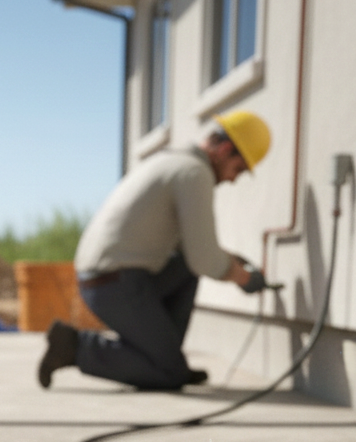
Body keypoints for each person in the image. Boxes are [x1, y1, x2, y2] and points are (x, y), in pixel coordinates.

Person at [38, 110, 272, 391]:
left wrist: (231, 261)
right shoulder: (194, 173)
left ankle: (167, 359)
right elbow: (204, 259)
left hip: (111, 278)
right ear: (224, 150)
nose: (234, 179)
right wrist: (245, 278)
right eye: (239, 169)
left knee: (185, 268)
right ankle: (75, 347)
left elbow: (192, 251)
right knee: (169, 375)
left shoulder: (170, 161)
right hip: (114, 284)